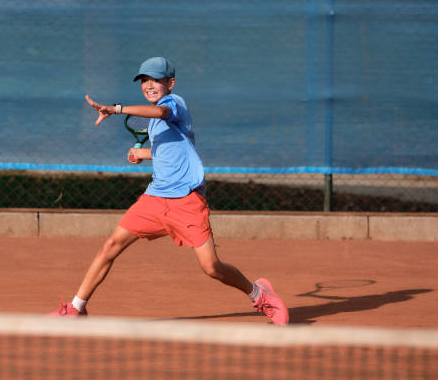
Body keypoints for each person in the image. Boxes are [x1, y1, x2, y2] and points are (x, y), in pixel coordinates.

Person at [50, 57, 288, 325]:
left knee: (212, 267)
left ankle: (259, 293)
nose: (149, 85)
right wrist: (142, 153)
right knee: (111, 245)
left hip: (186, 199)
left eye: (156, 80)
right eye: (144, 80)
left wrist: (116, 109)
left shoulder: (174, 104)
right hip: (155, 197)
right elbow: (170, 151)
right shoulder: (154, 120)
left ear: (170, 83)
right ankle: (76, 307)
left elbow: (161, 113)